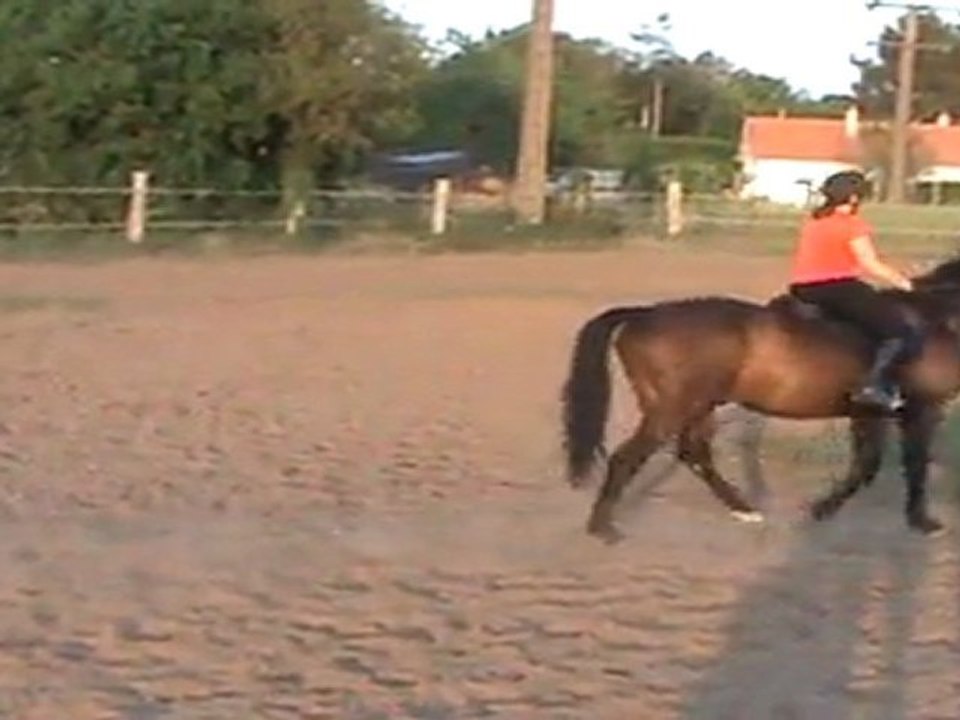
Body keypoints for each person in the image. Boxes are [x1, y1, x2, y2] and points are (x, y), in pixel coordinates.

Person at [788, 169, 918, 411]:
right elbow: (870, 263)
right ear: (854, 198)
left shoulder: (815, 220)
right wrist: (905, 283)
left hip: (801, 287)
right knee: (900, 330)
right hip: (838, 287)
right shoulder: (852, 225)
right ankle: (873, 386)